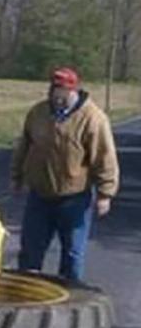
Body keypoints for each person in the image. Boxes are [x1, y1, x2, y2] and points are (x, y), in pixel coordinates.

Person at [11, 67, 119, 282]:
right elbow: (24, 146)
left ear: (73, 91)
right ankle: (26, 293)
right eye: (54, 91)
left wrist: (106, 193)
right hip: (40, 195)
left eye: (62, 93)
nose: (57, 97)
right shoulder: (38, 113)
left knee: (72, 254)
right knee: (30, 250)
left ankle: (70, 296)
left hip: (74, 197)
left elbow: (104, 157)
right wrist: (17, 176)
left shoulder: (93, 118)